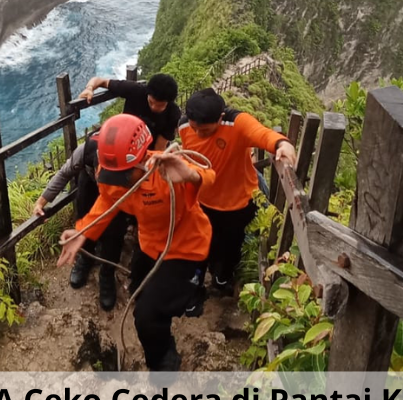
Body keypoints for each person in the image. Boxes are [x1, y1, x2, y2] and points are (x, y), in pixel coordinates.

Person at [58, 113, 215, 371]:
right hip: (150, 245)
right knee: (139, 292)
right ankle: (171, 308)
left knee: (146, 317)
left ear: (143, 159)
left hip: (186, 249)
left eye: (123, 175)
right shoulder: (114, 172)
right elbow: (108, 201)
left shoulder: (169, 173)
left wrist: (191, 176)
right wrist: (82, 232)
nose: (117, 183)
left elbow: (209, 178)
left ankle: (164, 363)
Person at [178, 88, 298, 296]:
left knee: (231, 246)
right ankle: (202, 280)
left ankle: (222, 280)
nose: (198, 134)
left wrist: (282, 144)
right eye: (194, 128)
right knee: (205, 242)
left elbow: (263, 134)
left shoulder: (237, 123)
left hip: (238, 203)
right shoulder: (184, 126)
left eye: (205, 131)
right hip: (203, 200)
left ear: (220, 117)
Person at [33, 133, 127, 310]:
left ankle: (107, 273)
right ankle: (85, 258)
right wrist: (41, 201)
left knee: (116, 229)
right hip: (88, 183)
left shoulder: (130, 158)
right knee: (84, 215)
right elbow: (63, 174)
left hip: (120, 189)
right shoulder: (85, 152)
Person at [78, 73, 181, 150]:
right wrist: (90, 88)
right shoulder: (135, 91)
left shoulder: (172, 113)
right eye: (151, 102)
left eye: (160, 105)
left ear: (169, 102)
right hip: (121, 136)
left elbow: (159, 149)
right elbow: (101, 81)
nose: (154, 107)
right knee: (85, 148)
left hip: (148, 149)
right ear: (147, 93)